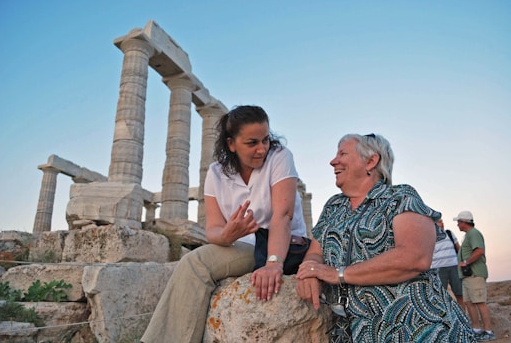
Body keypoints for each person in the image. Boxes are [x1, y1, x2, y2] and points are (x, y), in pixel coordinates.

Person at [141, 105, 308, 343]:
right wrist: (228, 235)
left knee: (196, 262)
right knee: (195, 262)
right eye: (252, 143)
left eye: (265, 140)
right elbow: (214, 231)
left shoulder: (280, 157)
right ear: (231, 144)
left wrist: (274, 264)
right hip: (242, 246)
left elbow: (283, 216)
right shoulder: (216, 173)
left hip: (280, 244)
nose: (262, 149)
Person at [296, 133, 475, 342]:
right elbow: (316, 251)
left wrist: (338, 274)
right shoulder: (333, 207)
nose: (333, 161)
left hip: (418, 328)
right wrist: (309, 269)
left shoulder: (400, 198)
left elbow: (414, 257)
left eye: (342, 153)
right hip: (358, 332)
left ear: (371, 161)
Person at [455, 210, 496, 341]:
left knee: (479, 302)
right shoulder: (469, 235)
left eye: (458, 222)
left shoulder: (474, 234)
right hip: (468, 277)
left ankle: (489, 332)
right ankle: (476, 330)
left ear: (463, 222)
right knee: (469, 302)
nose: (457, 225)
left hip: (475, 275)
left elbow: (479, 251)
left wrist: (466, 262)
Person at [431, 218, 464, 306]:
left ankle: (463, 316)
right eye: (439, 222)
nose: (442, 223)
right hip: (438, 269)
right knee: (440, 296)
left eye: (442, 221)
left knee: (459, 294)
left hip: (454, 267)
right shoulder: (429, 237)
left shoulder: (449, 233)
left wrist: (462, 262)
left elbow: (459, 248)